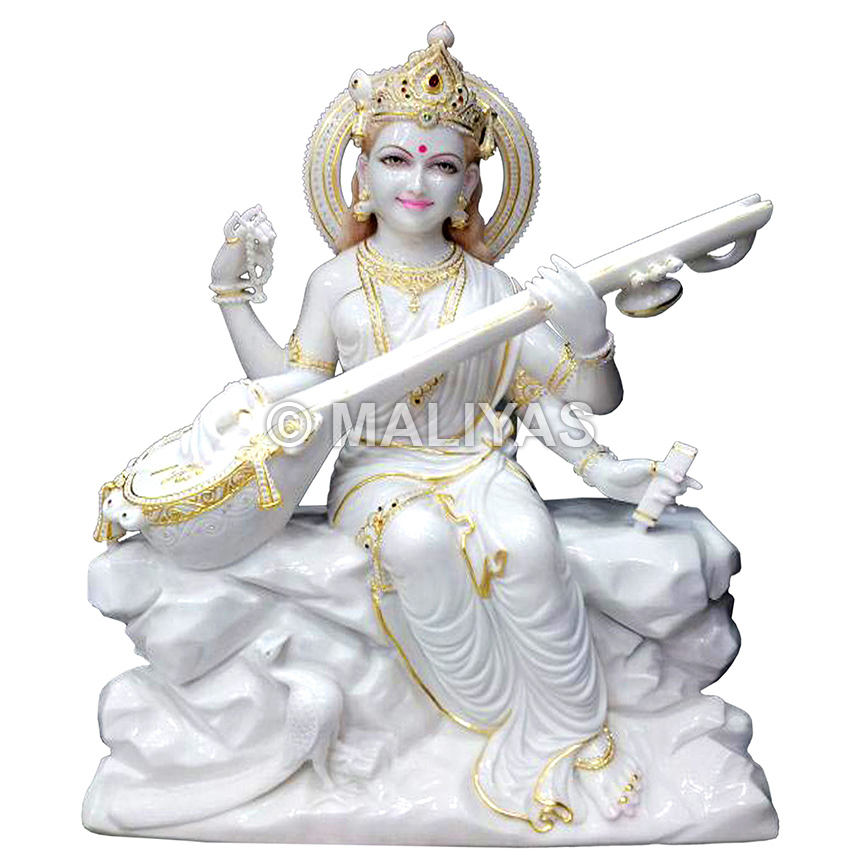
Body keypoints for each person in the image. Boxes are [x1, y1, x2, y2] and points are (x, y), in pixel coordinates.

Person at [208, 23, 696, 832]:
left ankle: (581, 732)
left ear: (469, 185)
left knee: (529, 544)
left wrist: (591, 340)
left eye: (442, 166)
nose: (416, 182)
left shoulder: (494, 289)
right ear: (362, 174)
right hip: (380, 470)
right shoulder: (335, 283)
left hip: (478, 461)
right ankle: (493, 714)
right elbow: (293, 396)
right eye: (396, 159)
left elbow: (583, 398)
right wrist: (231, 299)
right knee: (418, 542)